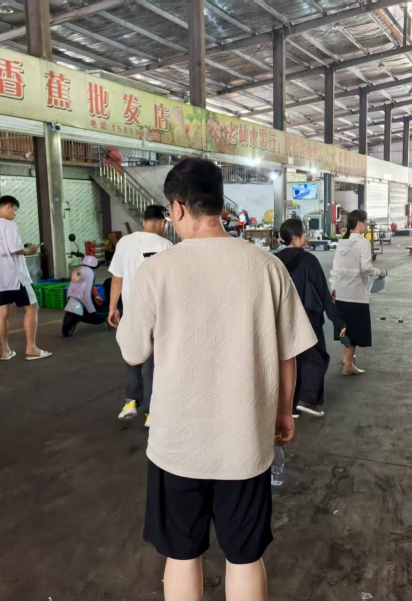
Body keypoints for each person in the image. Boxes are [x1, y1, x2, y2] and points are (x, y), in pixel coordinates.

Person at [116, 157, 316, 601]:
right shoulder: (266, 266)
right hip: (244, 443)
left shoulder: (156, 270)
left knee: (181, 556)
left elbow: (132, 351)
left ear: (178, 207)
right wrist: (284, 413)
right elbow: (288, 353)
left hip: (177, 445)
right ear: (220, 205)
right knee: (245, 558)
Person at [108, 204, 174, 428]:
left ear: (144, 221)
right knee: (155, 362)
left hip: (132, 312)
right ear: (162, 223)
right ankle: (152, 413)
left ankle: (130, 402)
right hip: (158, 313)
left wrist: (113, 307)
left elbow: (117, 278)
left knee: (133, 358)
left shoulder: (124, 242)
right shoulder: (166, 245)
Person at [276, 218, 346, 418]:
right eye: (304, 234)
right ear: (295, 238)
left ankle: (290, 405)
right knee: (315, 356)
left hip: (282, 317)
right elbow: (323, 292)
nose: (306, 237)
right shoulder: (309, 260)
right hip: (308, 316)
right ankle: (307, 399)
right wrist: (336, 320)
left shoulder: (274, 260)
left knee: (289, 359)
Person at [0, 195, 52, 361]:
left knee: (3, 313)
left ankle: (5, 351)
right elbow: (15, 249)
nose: (15, 214)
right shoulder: (10, 225)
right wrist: (30, 250)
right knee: (32, 308)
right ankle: (31, 348)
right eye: (15, 210)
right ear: (8, 206)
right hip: (16, 277)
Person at [330, 209, 385, 376]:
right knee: (354, 328)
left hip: (341, 291)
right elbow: (366, 267)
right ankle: (348, 364)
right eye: (365, 222)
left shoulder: (342, 242)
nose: (366, 225)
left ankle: (346, 357)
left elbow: (335, 267)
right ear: (360, 223)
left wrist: (333, 286)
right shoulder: (363, 243)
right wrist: (380, 273)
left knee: (345, 326)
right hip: (356, 292)